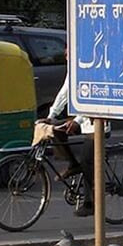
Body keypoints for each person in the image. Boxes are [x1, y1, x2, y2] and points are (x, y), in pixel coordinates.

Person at [42, 69, 98, 217]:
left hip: (98, 123)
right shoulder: (74, 66)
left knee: (87, 160)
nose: (67, 56)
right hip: (81, 120)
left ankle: (89, 203)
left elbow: (95, 98)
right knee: (56, 130)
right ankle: (73, 164)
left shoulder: (93, 69)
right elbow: (65, 92)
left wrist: (76, 120)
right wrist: (51, 116)